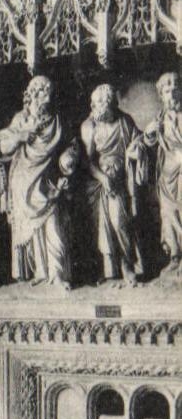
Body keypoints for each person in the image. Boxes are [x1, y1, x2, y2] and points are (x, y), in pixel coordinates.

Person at [0, 75, 78, 287]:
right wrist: (19, 137)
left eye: (48, 91)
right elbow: (1, 147)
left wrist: (69, 158)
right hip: (24, 181)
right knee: (32, 232)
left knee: (54, 228)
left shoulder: (57, 121)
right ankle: (40, 272)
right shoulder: (21, 119)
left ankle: (57, 274)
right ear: (31, 95)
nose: (45, 96)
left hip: (49, 182)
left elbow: (72, 144)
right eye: (40, 91)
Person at [79, 84, 142, 285]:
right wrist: (102, 177)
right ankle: (108, 271)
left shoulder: (125, 121)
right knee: (101, 227)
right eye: (98, 104)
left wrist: (136, 149)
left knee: (120, 222)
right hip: (98, 181)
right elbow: (86, 161)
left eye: (106, 105)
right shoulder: (89, 126)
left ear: (113, 105)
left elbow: (137, 141)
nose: (101, 109)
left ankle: (127, 264)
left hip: (120, 178)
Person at [142, 72, 182, 278]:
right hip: (167, 174)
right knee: (167, 213)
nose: (172, 94)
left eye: (176, 89)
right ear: (161, 95)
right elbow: (150, 142)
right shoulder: (161, 117)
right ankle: (175, 257)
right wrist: (150, 133)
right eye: (167, 91)